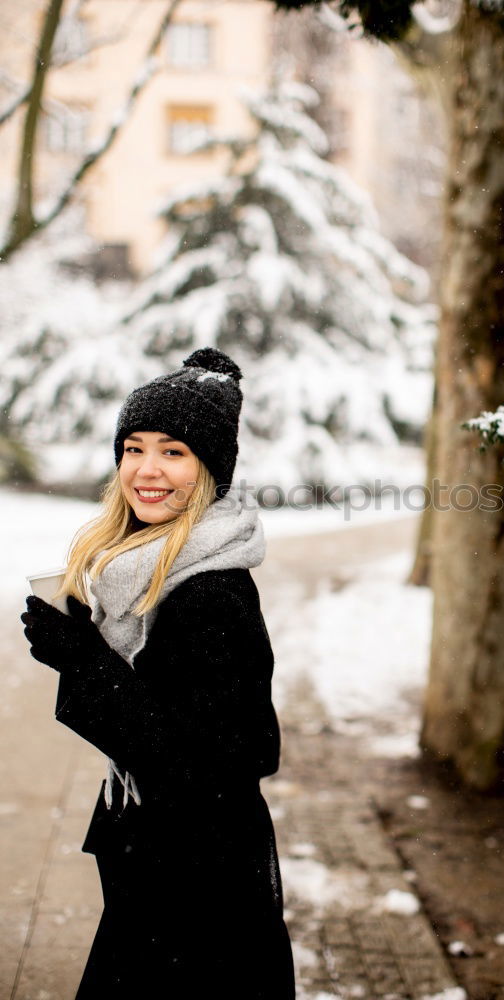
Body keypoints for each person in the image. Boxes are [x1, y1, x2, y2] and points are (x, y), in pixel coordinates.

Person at [21, 347, 296, 999]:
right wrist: (85, 644)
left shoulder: (211, 595)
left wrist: (83, 661)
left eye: (173, 451)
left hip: (200, 886)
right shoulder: (148, 571)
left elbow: (212, 756)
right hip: (162, 867)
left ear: (210, 469)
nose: (146, 470)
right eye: (133, 448)